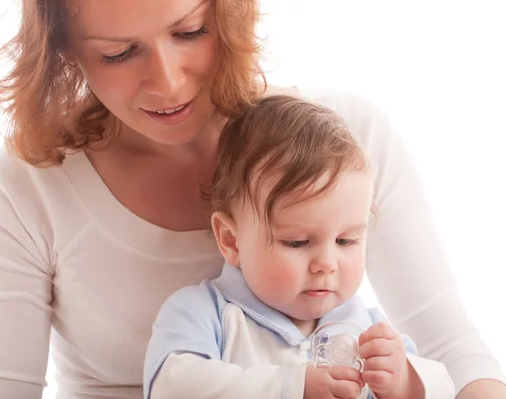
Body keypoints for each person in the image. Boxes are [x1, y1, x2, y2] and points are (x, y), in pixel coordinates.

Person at [0, 0, 506, 398]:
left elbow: (453, 352)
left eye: (190, 31)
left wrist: (409, 381)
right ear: (63, 55)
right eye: (120, 53)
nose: (169, 80)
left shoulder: (344, 145)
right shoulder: (30, 186)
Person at [143, 94, 456, 399]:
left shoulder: (367, 328)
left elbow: (445, 386)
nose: (326, 263)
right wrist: (292, 388)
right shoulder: (205, 313)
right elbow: (172, 387)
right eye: (297, 242)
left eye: (345, 241)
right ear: (230, 239)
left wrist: (403, 382)